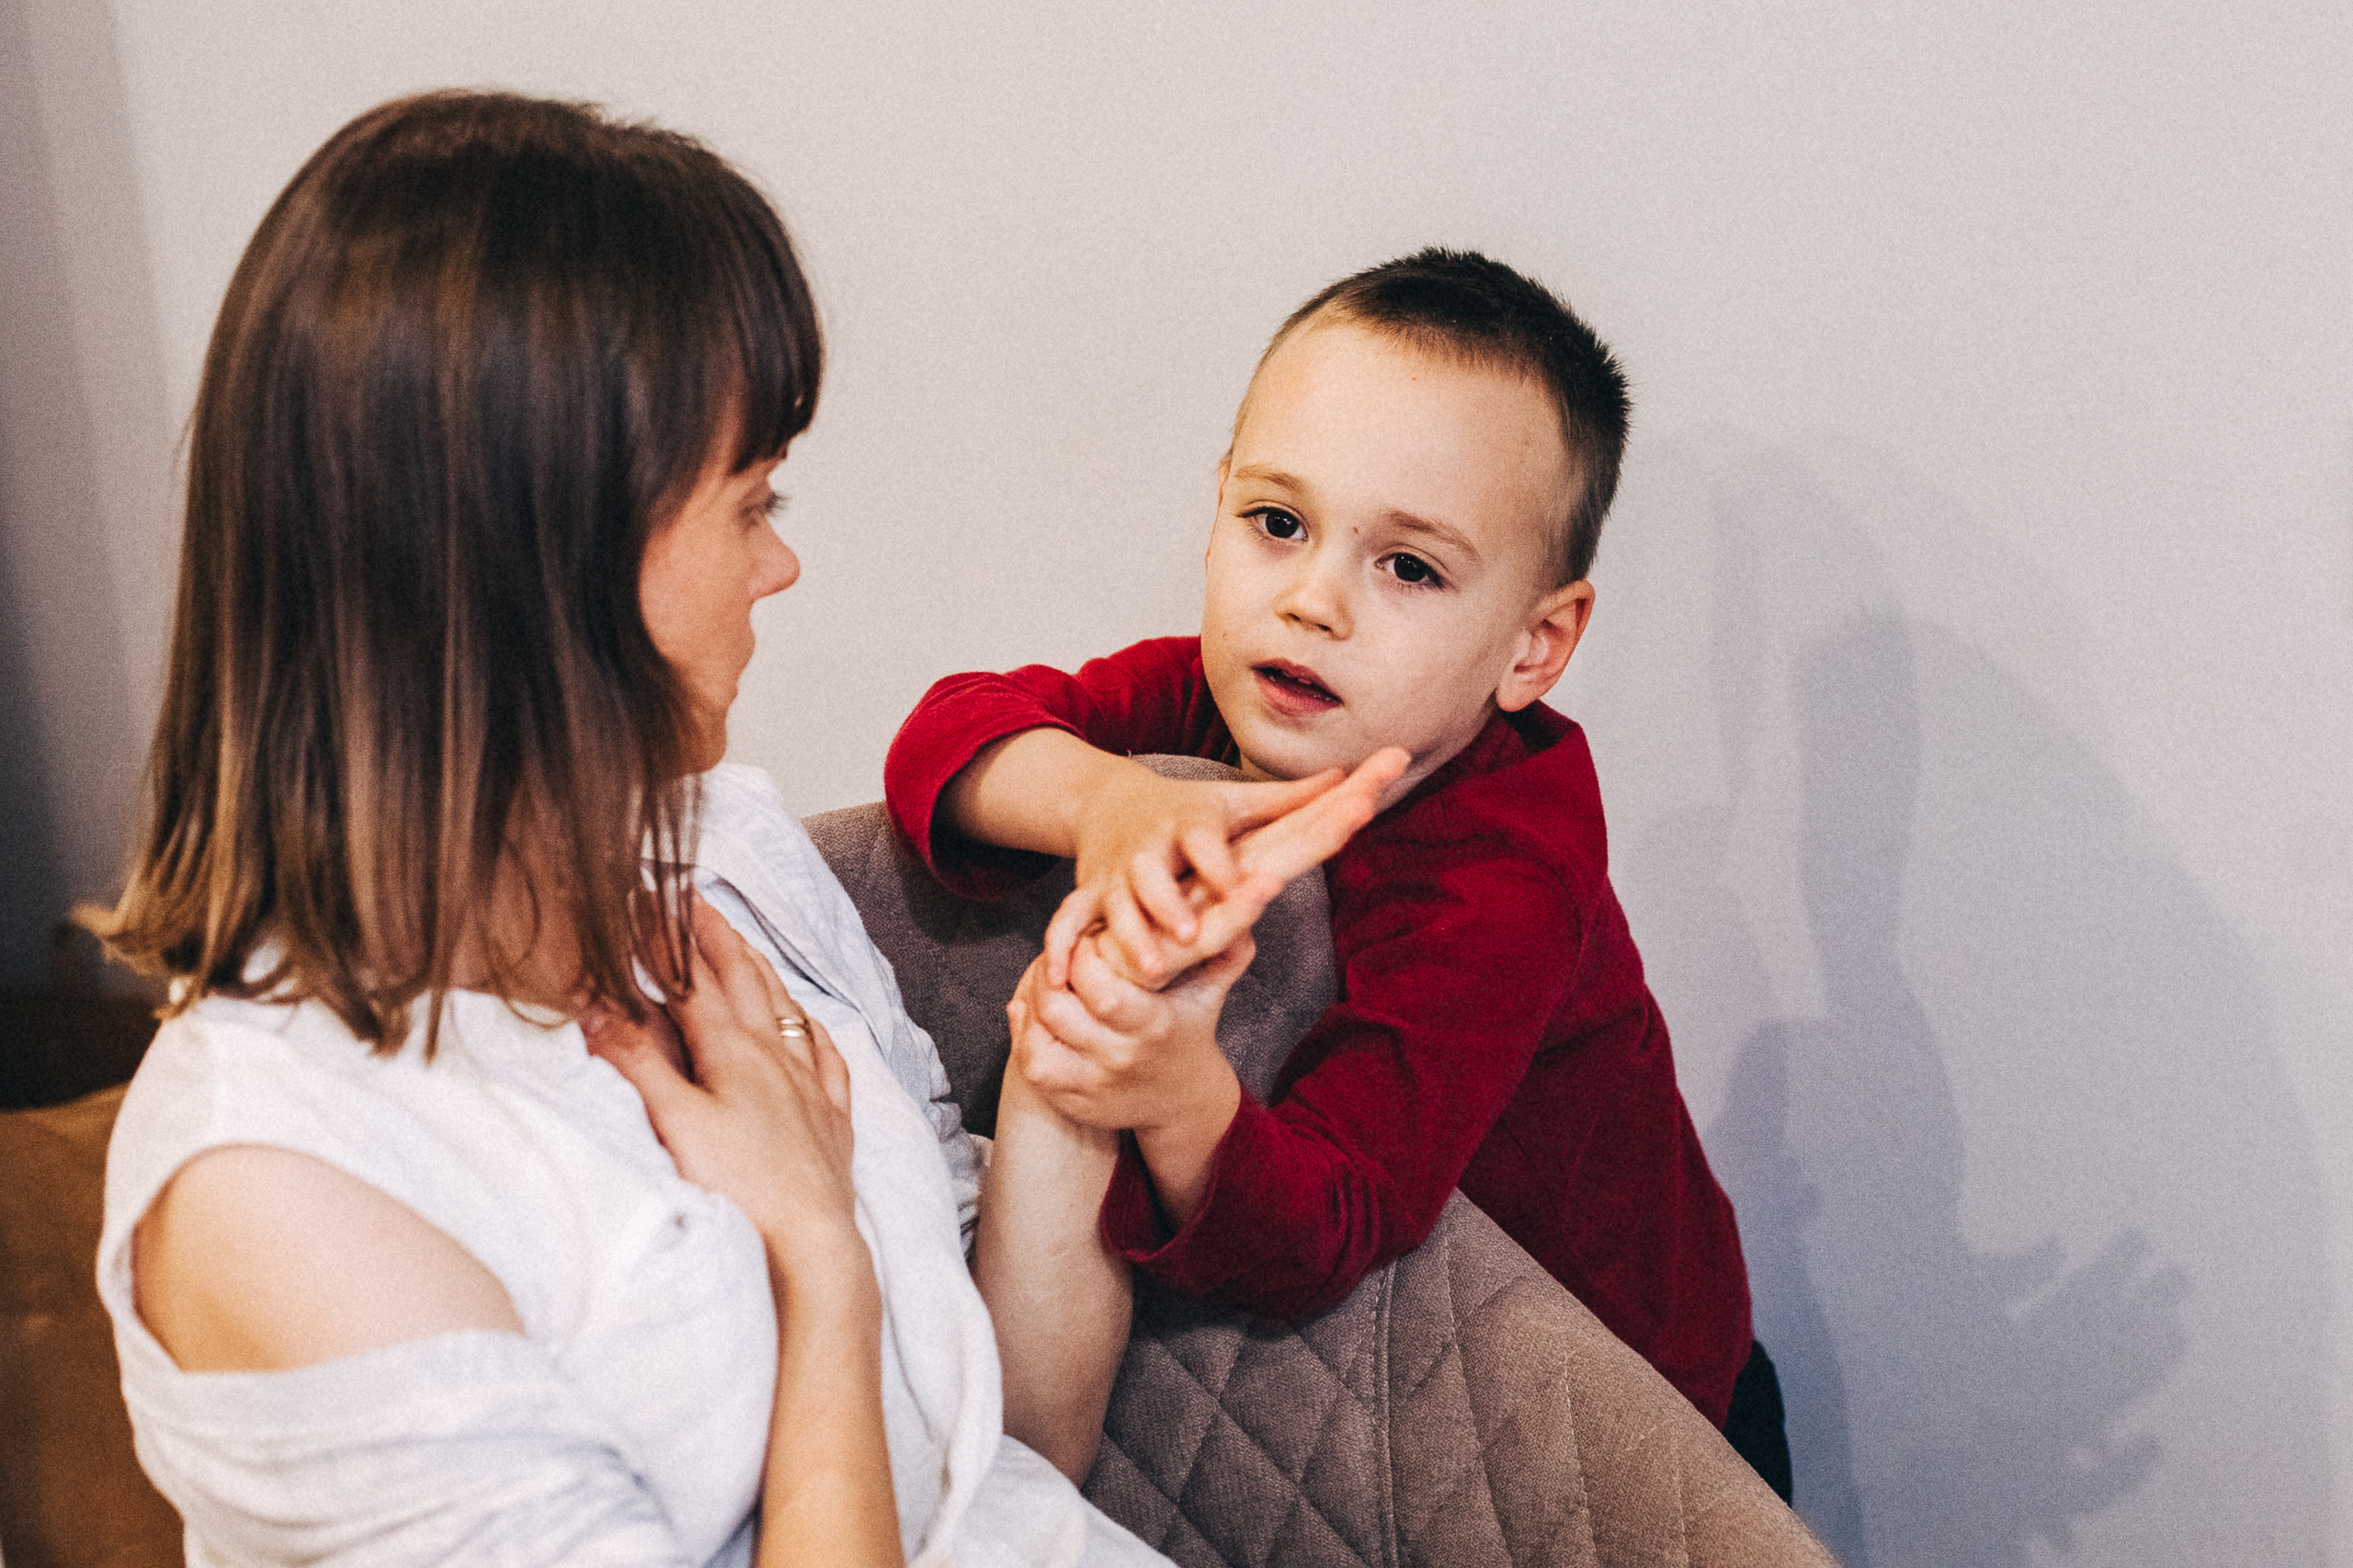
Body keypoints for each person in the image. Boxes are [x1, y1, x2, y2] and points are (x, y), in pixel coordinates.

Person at [84, 89, 1212, 1565]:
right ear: (542, 564)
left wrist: (1080, 1056)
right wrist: (817, 1263)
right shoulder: (283, 1181)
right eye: (752, 500)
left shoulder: (725, 859)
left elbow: (997, 1460)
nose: (783, 561)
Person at [883, 249, 1790, 1488]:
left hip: (1647, 1401)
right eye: (1277, 523)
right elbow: (947, 731)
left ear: (1535, 646)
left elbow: (1336, 1213)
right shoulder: (1210, 703)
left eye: (1407, 566)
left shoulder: (1502, 875)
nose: (1312, 600)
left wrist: (1173, 1091)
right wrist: (1107, 800)